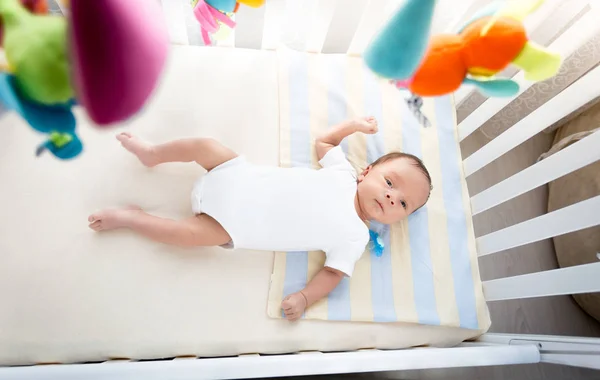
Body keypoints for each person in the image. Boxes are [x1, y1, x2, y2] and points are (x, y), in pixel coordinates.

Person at [88, 117, 432, 321]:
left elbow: (332, 274)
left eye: (402, 203)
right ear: (366, 171)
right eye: (390, 183)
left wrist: (304, 298)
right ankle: (153, 154)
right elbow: (325, 141)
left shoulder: (355, 237)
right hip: (235, 175)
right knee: (204, 145)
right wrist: (355, 126)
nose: (391, 197)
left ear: (398, 220)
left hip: (230, 226)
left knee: (184, 236)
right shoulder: (342, 172)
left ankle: (133, 219)